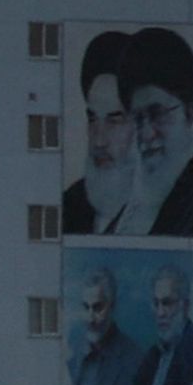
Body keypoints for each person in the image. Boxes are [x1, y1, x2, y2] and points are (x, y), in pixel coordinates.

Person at [119, 26, 193, 239]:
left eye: (157, 114)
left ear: (189, 112)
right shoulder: (130, 211)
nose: (146, 134)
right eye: (138, 119)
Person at [61, 33, 138, 237]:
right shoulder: (69, 207)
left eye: (115, 120)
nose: (99, 140)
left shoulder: (176, 211)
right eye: (93, 119)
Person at [67, 264, 146, 385]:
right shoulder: (70, 351)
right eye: (86, 307)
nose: (90, 318)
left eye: (98, 308)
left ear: (112, 306)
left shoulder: (135, 362)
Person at [135, 264, 193, 385]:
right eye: (156, 304)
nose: (160, 313)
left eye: (167, 303)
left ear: (185, 306)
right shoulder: (151, 357)